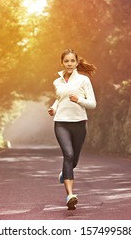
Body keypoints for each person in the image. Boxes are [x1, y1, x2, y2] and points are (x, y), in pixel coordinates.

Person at [48, 48, 96, 210]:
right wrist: (53, 109)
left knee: (73, 160)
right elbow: (59, 100)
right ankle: (70, 195)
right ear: (62, 62)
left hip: (79, 123)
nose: (69, 64)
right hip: (61, 123)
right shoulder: (57, 82)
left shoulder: (83, 80)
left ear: (76, 63)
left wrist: (79, 100)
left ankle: (65, 172)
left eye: (72, 61)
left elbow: (92, 104)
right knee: (68, 155)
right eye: (66, 61)